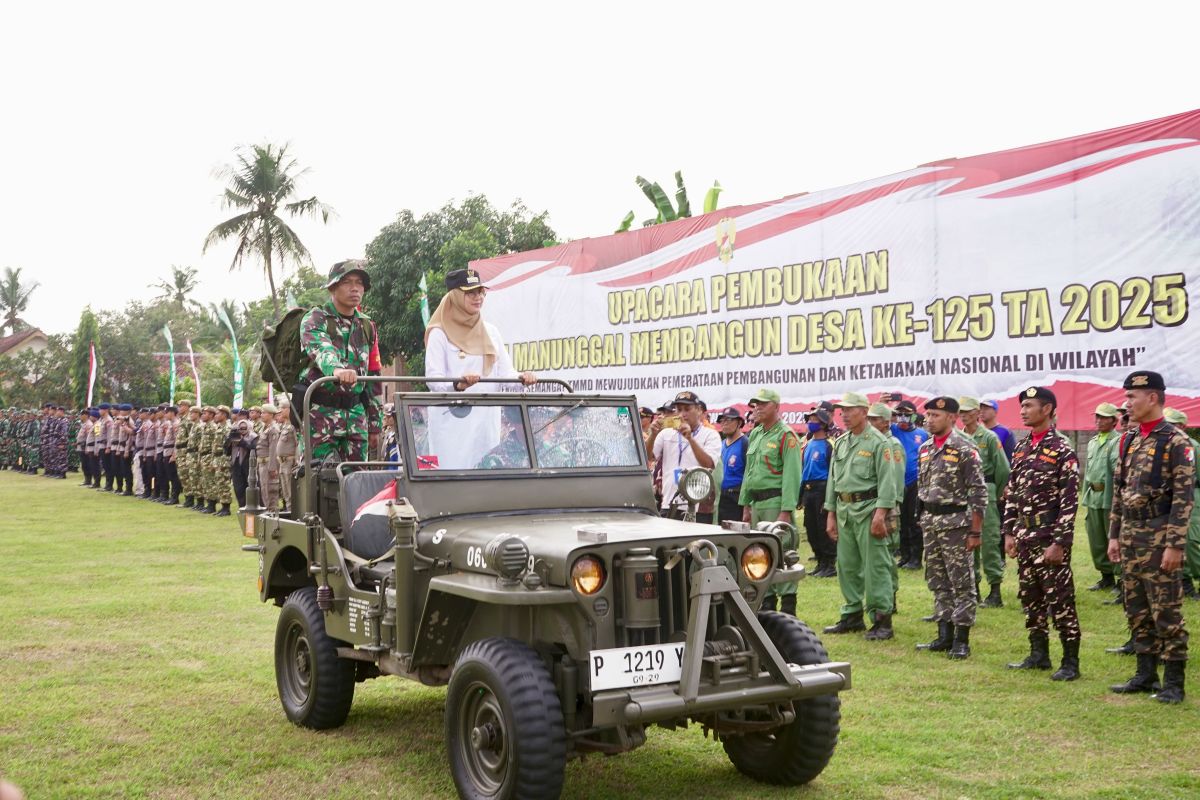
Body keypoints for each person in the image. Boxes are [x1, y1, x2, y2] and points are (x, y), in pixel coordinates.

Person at [1108, 371, 1195, 703]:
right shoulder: (1130, 438)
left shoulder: (1175, 442)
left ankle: (1174, 682)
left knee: (1166, 608)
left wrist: (1174, 544)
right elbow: (1121, 490)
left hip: (1159, 536)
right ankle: (1145, 675)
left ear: (1153, 398)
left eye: (1132, 397)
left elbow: (1183, 498)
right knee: (1136, 605)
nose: (1127, 404)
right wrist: (1114, 535)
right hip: (1131, 534)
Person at [1002, 387, 1082, 682]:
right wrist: (1009, 532)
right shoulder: (1021, 448)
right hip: (1025, 535)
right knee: (1030, 597)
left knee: (1060, 600)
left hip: (1049, 536)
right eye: (1022, 406)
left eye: (1029, 406)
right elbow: (1012, 494)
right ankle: (1038, 655)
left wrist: (1060, 542)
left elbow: (1070, 502)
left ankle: (1070, 661)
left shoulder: (1062, 449)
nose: (1023, 411)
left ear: (1047, 409)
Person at [424, 268, 537, 469]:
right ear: (456, 296)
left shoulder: (491, 332)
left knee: (485, 476)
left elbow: (506, 373)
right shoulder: (439, 333)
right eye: (471, 293)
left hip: (485, 421)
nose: (478, 298)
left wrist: (522, 378)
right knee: (452, 477)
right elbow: (433, 379)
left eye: (481, 292)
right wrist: (457, 385)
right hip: (452, 422)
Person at [914, 397, 987, 659]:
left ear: (952, 418)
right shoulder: (924, 448)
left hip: (957, 524)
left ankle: (962, 639)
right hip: (931, 523)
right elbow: (922, 489)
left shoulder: (965, 447)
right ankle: (943, 635)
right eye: (928, 414)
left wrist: (975, 531)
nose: (929, 419)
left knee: (962, 582)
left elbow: (979, 493)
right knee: (937, 580)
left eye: (935, 415)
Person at [823, 392, 900, 639]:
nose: (843, 414)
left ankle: (881, 620)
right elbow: (833, 481)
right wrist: (831, 514)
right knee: (847, 565)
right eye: (841, 411)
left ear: (864, 412)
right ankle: (852, 614)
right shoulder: (842, 442)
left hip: (869, 509)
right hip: (845, 510)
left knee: (875, 566)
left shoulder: (879, 442)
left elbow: (888, 483)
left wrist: (881, 514)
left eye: (849, 410)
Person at [298, 260, 384, 463]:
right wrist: (336, 370)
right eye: (347, 282)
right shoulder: (316, 319)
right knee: (317, 480)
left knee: (358, 481)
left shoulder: (367, 325)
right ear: (332, 287)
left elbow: (373, 375)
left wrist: (374, 423)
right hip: (320, 414)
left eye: (359, 283)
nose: (355, 288)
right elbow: (321, 349)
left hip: (356, 414)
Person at [735, 389, 800, 612]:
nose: (757, 408)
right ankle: (768, 603)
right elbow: (749, 472)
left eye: (763, 404)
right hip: (757, 504)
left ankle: (789, 606)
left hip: (775, 502)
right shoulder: (756, 434)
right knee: (760, 553)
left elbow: (792, 476)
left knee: (781, 551)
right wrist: (746, 504)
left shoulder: (786, 435)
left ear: (776, 406)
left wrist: (786, 510)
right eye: (755, 405)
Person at [959, 397, 1012, 607]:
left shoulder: (989, 437)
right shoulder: (959, 438)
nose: (963, 415)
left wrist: (994, 492)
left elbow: (1003, 469)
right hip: (964, 494)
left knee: (989, 540)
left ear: (976, 413)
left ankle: (995, 590)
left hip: (986, 490)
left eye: (967, 411)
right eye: (961, 411)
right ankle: (974, 589)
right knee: (968, 541)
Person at [648, 391, 721, 521]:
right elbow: (649, 457)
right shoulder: (666, 434)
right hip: (669, 503)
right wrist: (652, 435)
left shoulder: (711, 434)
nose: (682, 414)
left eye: (687, 409)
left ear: (699, 410)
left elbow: (708, 464)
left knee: (698, 541)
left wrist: (690, 439)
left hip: (699, 505)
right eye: (679, 409)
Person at [867, 403, 905, 612]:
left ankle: (891, 597)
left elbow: (895, 479)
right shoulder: (874, 442)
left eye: (874, 419)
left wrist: (891, 507)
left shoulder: (893, 444)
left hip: (889, 506)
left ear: (885, 422)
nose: (870, 423)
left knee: (887, 553)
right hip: (875, 504)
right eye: (869, 419)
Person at [1083, 403, 1122, 592]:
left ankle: (1121, 578)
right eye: (1097, 417)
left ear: (1115, 421)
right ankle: (1106, 577)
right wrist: (1084, 497)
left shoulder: (1119, 441)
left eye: (1104, 417)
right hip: (1093, 497)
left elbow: (1117, 473)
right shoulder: (1092, 442)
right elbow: (1088, 473)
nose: (1099, 420)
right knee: (1096, 540)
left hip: (1109, 497)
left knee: (1113, 537)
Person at [1163, 408, 1200, 600]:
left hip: (1192, 499)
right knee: (1175, 541)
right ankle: (1184, 583)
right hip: (1171, 500)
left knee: (1192, 542)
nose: (1170, 427)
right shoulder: (1165, 443)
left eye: (1174, 423)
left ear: (1183, 426)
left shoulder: (1190, 446)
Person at [891, 400, 929, 570]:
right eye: (899, 414)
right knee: (901, 521)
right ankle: (904, 555)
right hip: (897, 481)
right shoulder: (892, 430)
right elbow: (877, 420)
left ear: (914, 415)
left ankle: (916, 557)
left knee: (914, 521)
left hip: (916, 481)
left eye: (907, 414)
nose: (903, 418)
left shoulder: (922, 435)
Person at [801, 406, 838, 577]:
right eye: (809, 420)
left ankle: (829, 564)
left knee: (823, 526)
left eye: (814, 420)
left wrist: (829, 497)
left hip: (822, 488)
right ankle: (819, 560)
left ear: (823, 424)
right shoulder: (808, 444)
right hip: (808, 489)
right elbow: (804, 469)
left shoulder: (829, 445)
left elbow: (833, 473)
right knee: (811, 526)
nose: (810, 423)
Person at [716, 406, 748, 524]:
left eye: (728, 420)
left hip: (736, 499)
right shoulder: (721, 444)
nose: (724, 424)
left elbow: (748, 475)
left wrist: (746, 506)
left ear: (739, 423)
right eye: (722, 420)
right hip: (720, 498)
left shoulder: (745, 443)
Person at [226, 418, 256, 508]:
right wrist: (229, 440)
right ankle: (241, 506)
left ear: (249, 427)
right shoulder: (234, 436)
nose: (242, 430)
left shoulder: (253, 436)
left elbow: (253, 448)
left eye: (244, 428)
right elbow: (226, 452)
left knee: (249, 486)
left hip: (248, 464)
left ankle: (251, 506)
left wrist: (241, 442)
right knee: (238, 488)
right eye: (240, 428)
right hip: (236, 464)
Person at [274, 400, 298, 512]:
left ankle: (293, 512)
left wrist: (296, 461)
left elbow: (299, 444)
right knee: (285, 491)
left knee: (291, 490)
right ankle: (289, 510)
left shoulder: (294, 425)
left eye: (283, 408)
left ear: (289, 409)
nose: (281, 411)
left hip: (290, 462)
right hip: (282, 462)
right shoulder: (285, 425)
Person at [256, 403, 281, 509]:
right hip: (262, 463)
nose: (261, 415)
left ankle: (272, 513)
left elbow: (273, 449)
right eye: (261, 412)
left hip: (268, 464)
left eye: (264, 413)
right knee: (265, 490)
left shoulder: (273, 429)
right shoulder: (264, 428)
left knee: (271, 490)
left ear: (271, 415)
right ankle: (269, 511)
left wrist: (272, 467)